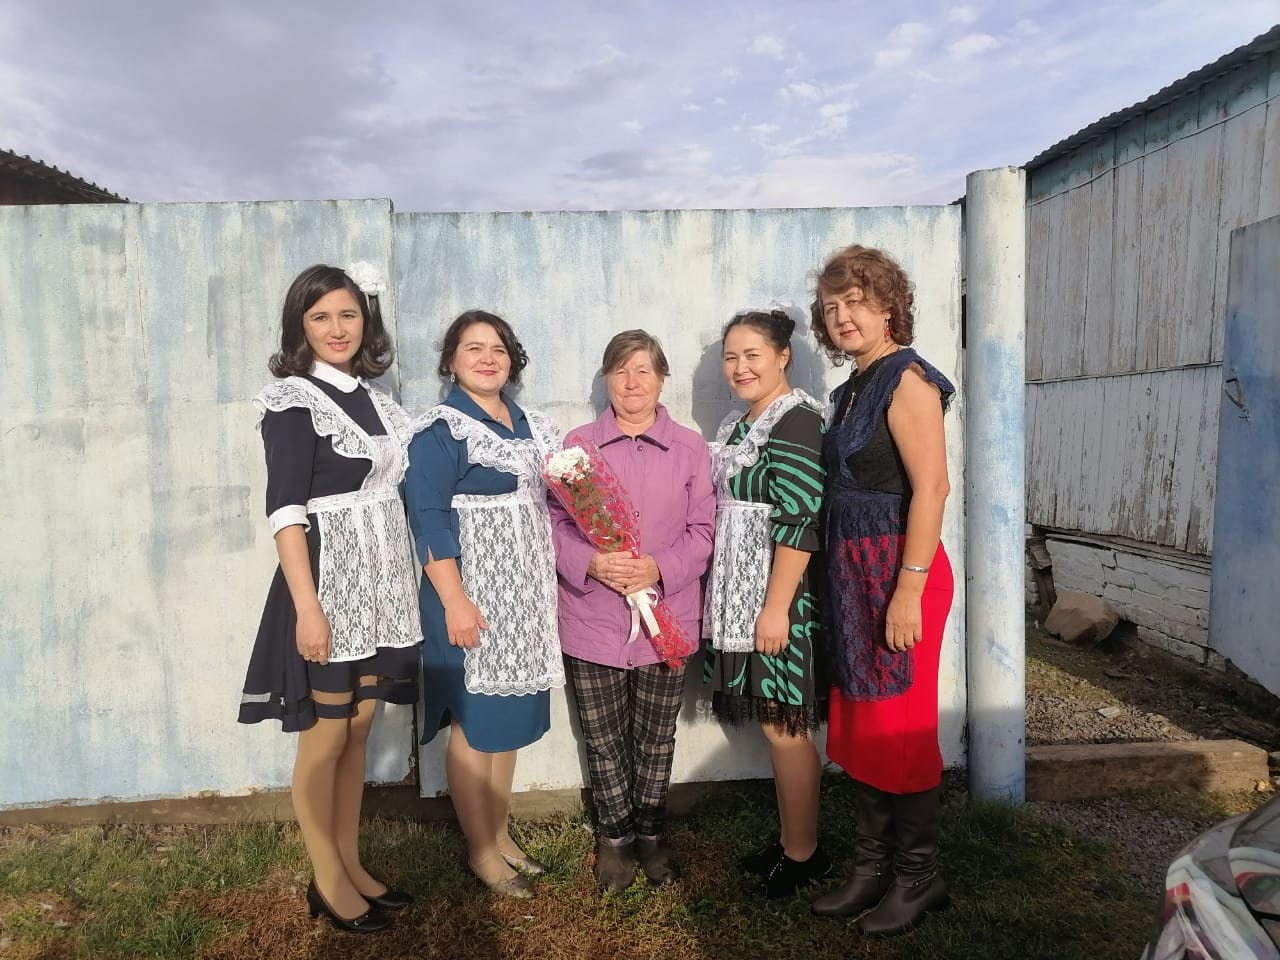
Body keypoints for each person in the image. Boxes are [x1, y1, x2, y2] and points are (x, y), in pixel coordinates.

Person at [239, 262, 422, 934]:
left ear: (366, 321)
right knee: (323, 741)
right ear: (301, 327)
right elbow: (285, 512)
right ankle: (326, 879)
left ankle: (349, 864)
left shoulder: (375, 400)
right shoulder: (292, 402)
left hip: (380, 589)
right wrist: (309, 609)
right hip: (327, 586)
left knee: (358, 730)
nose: (337, 329)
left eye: (348, 314)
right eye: (320, 317)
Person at [808, 245, 956, 936]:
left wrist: (908, 591)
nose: (843, 316)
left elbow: (933, 488)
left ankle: (919, 877)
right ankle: (871, 868)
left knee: (901, 727)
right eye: (831, 307)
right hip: (853, 580)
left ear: (888, 307)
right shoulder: (851, 390)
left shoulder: (907, 381)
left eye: (856, 302)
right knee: (863, 725)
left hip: (901, 575)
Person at [405, 310, 564, 900]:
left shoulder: (531, 426)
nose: (487, 358)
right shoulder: (441, 430)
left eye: (497, 348)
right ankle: (480, 851)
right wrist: (455, 601)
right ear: (451, 361)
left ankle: (499, 834)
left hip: (523, 597)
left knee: (508, 721)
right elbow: (428, 518)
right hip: (468, 595)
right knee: (475, 723)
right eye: (473, 348)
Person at [551, 330, 715, 893]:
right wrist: (592, 563)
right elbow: (552, 526)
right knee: (603, 738)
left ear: (661, 379)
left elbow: (703, 530)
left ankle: (651, 832)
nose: (632, 382)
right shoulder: (577, 449)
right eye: (620, 370)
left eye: (643, 370)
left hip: (665, 621)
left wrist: (659, 568)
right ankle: (614, 838)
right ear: (606, 378)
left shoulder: (689, 448)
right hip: (592, 619)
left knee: (655, 737)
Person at [702, 300, 830, 899]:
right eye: (730, 358)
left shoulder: (796, 420)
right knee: (773, 723)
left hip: (779, 596)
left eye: (752, 355)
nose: (740, 368)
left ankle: (804, 854)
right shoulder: (738, 424)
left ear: (783, 357)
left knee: (785, 725)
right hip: (739, 592)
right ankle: (789, 840)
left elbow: (801, 519)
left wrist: (776, 608)